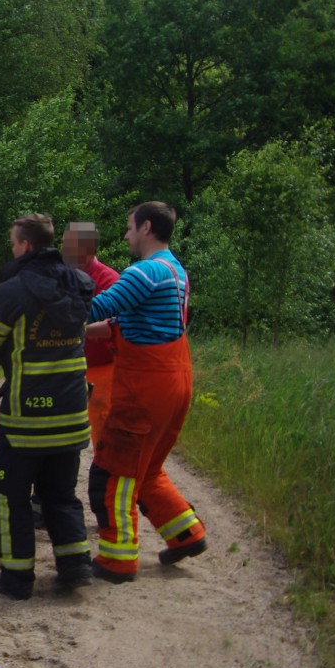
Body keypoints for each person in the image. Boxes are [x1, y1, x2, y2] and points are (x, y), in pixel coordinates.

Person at [0, 214, 95, 600]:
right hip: (73, 412)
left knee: (7, 493)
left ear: (24, 245)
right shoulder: (81, 284)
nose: (12, 248)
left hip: (27, 416)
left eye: (12, 242)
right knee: (61, 493)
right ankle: (75, 568)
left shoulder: (11, 292)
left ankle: (16, 577)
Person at [87, 202, 207, 583]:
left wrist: (37, 313)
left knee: (113, 473)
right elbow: (119, 323)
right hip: (175, 381)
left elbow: (95, 308)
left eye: (129, 227)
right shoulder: (175, 270)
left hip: (146, 387)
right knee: (148, 468)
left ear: (147, 228)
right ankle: (186, 533)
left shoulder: (146, 272)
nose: (125, 235)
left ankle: (118, 561)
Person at [61, 222, 120, 446]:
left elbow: (111, 326)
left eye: (68, 244)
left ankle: (104, 479)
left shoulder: (109, 280)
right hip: (71, 367)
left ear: (87, 248)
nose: (63, 249)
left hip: (101, 369)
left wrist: (73, 328)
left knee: (103, 433)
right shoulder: (63, 276)